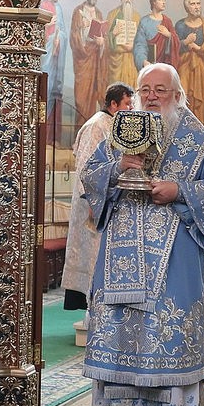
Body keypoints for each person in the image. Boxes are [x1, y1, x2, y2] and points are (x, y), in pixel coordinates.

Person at [81, 63, 204, 406]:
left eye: (160, 90)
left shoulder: (198, 140)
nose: (151, 96)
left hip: (174, 259)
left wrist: (178, 190)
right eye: (145, 89)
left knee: (168, 335)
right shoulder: (121, 132)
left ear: (177, 96)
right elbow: (90, 175)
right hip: (120, 258)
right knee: (120, 337)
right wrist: (118, 167)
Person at [60, 82, 135, 311]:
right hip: (92, 206)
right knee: (91, 256)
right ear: (113, 104)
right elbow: (86, 167)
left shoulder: (113, 124)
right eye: (127, 104)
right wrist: (93, 201)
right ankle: (91, 307)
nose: (131, 109)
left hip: (106, 201)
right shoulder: (96, 125)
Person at [175, 0, 204, 123]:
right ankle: (183, 126)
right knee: (184, 96)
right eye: (193, 4)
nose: (196, 7)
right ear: (186, 7)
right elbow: (172, 48)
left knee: (201, 101)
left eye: (198, 3)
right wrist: (185, 42)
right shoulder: (180, 25)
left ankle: (199, 128)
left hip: (202, 69)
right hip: (185, 67)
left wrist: (198, 48)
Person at [70, 0, 108, 125]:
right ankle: (79, 133)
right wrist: (81, 28)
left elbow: (103, 36)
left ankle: (91, 133)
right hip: (83, 61)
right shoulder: (78, 12)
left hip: (95, 61)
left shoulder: (98, 13)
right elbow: (73, 37)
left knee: (93, 98)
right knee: (81, 101)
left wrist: (102, 42)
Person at [40, 0, 68, 137]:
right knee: (46, 86)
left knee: (54, 90)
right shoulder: (42, 5)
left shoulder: (59, 8)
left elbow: (63, 31)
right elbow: (36, 33)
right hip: (46, 57)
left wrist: (59, 38)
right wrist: (48, 26)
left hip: (56, 56)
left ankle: (49, 133)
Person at [133, 0, 180, 71]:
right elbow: (140, 45)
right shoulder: (144, 22)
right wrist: (143, 61)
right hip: (149, 64)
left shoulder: (167, 21)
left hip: (165, 65)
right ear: (153, 2)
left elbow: (177, 43)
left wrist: (169, 35)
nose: (164, 2)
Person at [104, 0, 140, 87]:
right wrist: (113, 34)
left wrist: (133, 46)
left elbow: (141, 41)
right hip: (116, 61)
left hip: (131, 62)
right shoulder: (112, 15)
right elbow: (106, 39)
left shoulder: (137, 17)